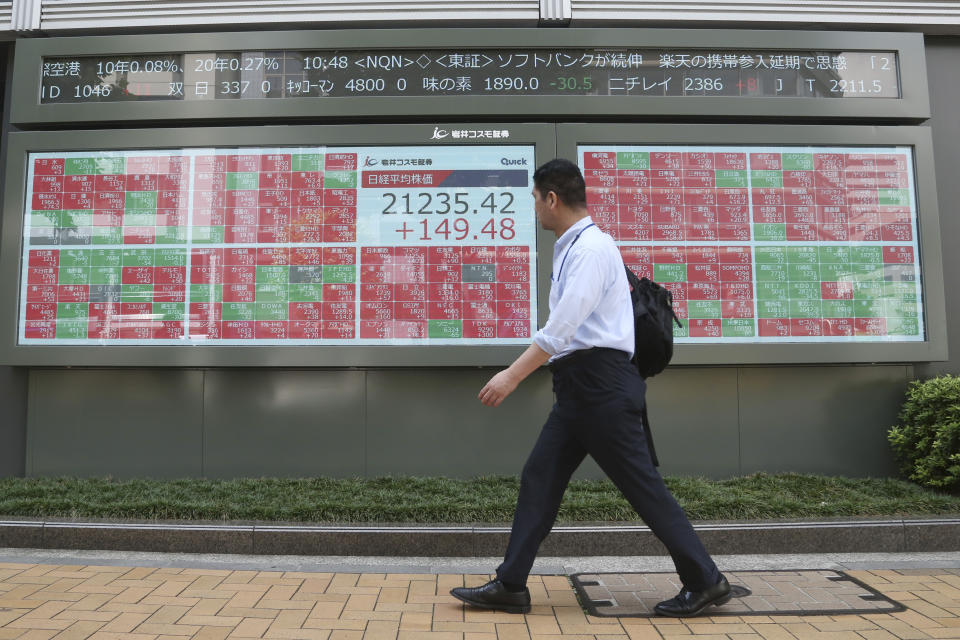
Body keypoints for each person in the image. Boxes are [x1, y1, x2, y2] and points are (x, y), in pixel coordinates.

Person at [450, 158, 730, 617]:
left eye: (535, 199)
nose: (535, 208)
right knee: (539, 478)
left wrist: (511, 376)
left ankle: (705, 579)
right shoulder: (575, 247)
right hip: (581, 389)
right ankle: (511, 584)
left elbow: (560, 330)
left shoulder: (591, 250)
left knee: (643, 487)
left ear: (552, 198)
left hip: (599, 387)